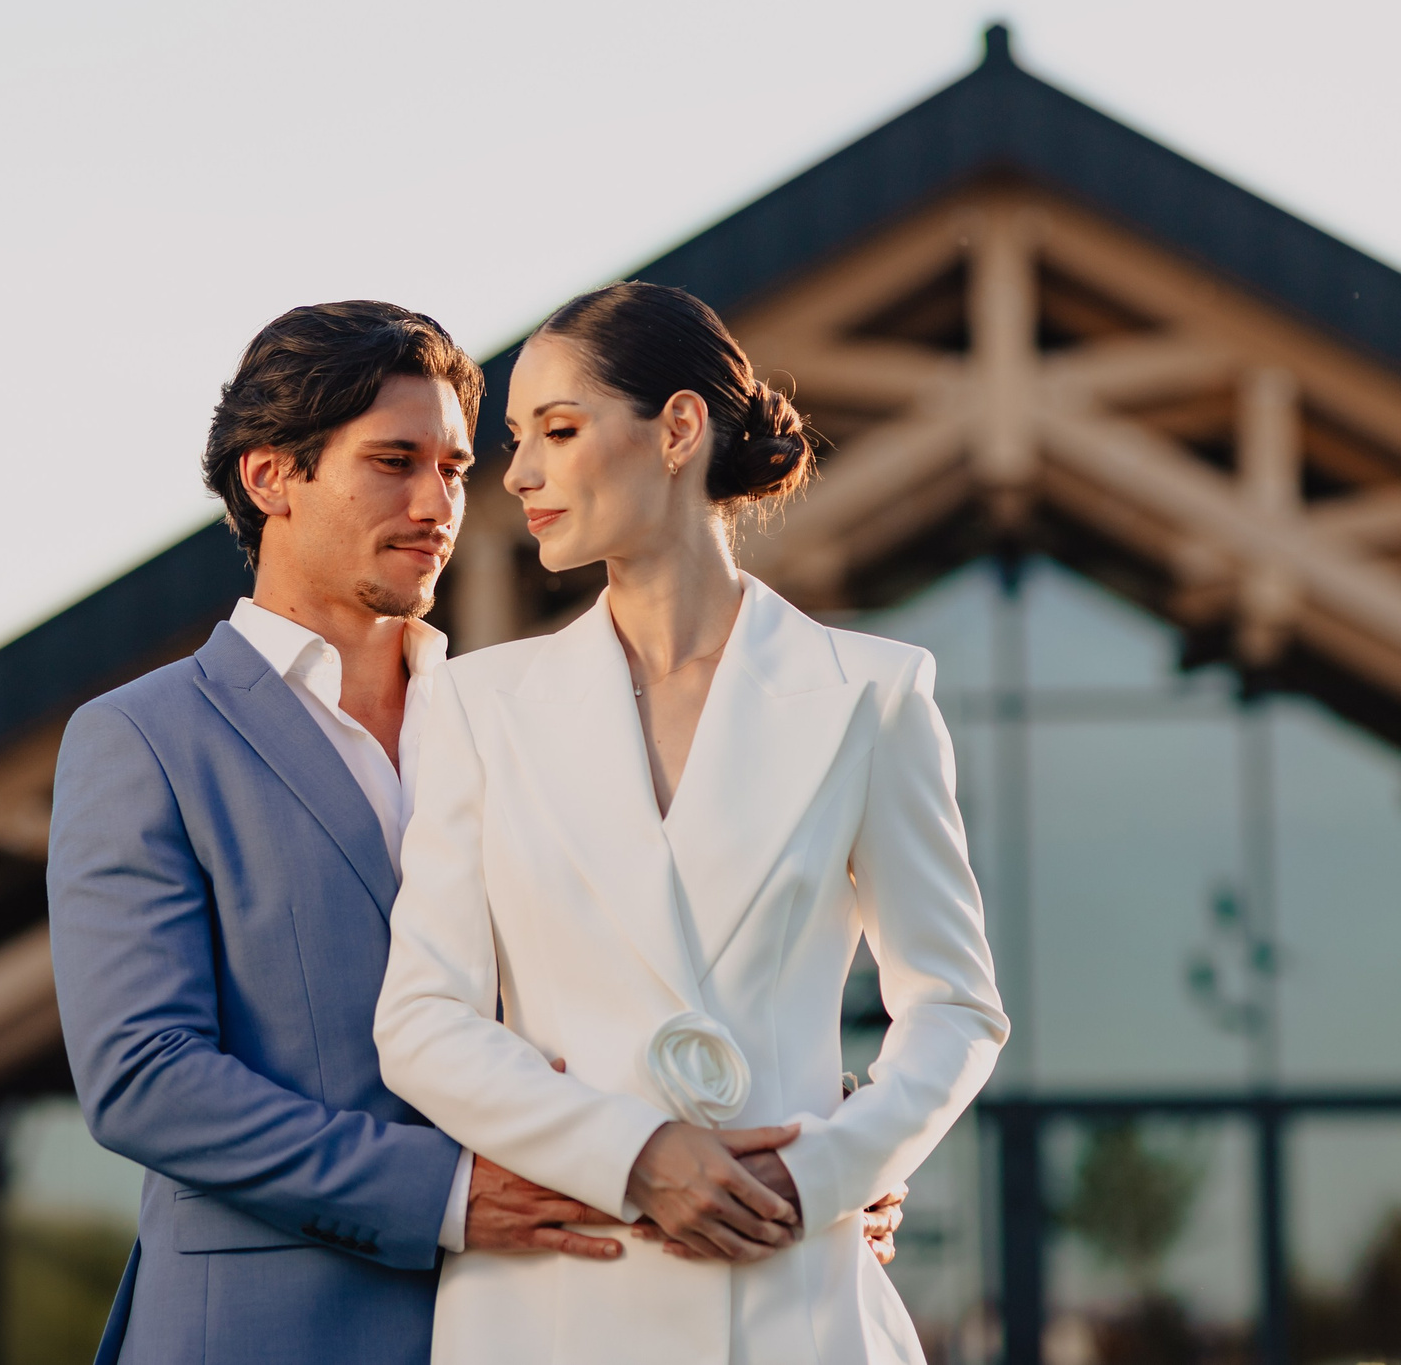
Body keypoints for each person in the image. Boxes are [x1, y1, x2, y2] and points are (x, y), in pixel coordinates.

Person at [47, 301, 904, 1365]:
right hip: (276, 1331)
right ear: (271, 478)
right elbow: (145, 1075)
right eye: (393, 463)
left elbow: (650, 966)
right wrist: (447, 1193)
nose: (438, 504)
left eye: (454, 467)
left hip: (550, 1321)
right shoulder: (142, 740)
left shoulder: (521, 712)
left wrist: (812, 1153)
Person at [375, 282, 1008, 1365]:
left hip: (789, 1293)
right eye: (515, 440)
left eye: (557, 432)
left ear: (677, 429)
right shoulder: (481, 706)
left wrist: (822, 1176)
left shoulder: (871, 695)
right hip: (555, 1300)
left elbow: (953, 1008)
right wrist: (636, 1154)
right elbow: (423, 1020)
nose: (518, 474)